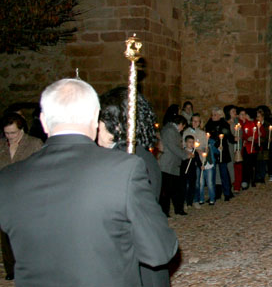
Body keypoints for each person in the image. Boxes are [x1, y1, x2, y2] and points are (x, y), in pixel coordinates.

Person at [0, 78, 177, 286]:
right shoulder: (123, 170)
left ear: (44, 120)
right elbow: (158, 251)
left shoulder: (8, 178)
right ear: (95, 119)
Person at [98, 86, 170, 286]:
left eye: (101, 122)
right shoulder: (135, 155)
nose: (96, 129)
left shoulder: (127, 160)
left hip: (135, 264)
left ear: (117, 125)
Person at [0, 113, 43, 281]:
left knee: (27, 234)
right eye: (7, 133)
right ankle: (11, 268)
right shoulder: (1, 146)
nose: (10, 137)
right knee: (5, 235)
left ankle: (30, 267)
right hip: (5, 195)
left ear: (22, 130)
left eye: (13, 133)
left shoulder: (34, 144)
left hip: (27, 196)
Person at [159, 113, 188, 217]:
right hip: (168, 164)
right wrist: (185, 155)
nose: (182, 129)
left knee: (176, 188)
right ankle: (165, 211)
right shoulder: (170, 130)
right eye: (183, 126)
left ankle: (178, 208)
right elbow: (172, 146)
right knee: (166, 190)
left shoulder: (171, 130)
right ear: (180, 124)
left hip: (173, 164)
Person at [204, 107, 234, 201]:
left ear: (220, 115)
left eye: (215, 115)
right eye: (212, 115)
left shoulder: (224, 124)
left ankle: (227, 193)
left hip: (222, 150)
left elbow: (228, 135)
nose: (213, 117)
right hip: (213, 150)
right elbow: (207, 134)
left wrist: (233, 140)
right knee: (213, 173)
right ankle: (215, 193)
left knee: (223, 171)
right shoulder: (209, 123)